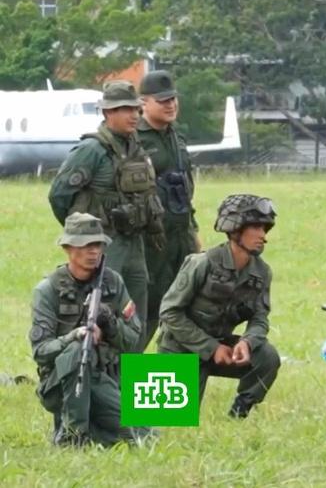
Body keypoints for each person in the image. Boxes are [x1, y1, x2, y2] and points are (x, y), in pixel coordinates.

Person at [48, 80, 166, 351]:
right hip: (105, 243)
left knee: (134, 313)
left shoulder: (135, 147)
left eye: (136, 109)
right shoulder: (91, 150)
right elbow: (59, 195)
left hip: (135, 243)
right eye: (125, 109)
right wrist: (82, 236)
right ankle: (99, 376)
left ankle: (129, 382)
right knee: (101, 309)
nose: (134, 115)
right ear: (107, 113)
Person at [29, 213, 156, 447]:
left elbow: (132, 341)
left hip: (105, 378)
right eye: (85, 245)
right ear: (68, 248)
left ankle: (91, 431)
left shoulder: (113, 283)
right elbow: (41, 351)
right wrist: (74, 336)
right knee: (78, 350)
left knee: (145, 438)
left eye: (97, 244)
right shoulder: (47, 290)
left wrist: (110, 326)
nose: (93, 251)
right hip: (60, 383)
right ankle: (72, 437)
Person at [156, 194, 281, 419]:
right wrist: (211, 348)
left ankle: (239, 414)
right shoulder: (202, 263)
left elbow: (260, 318)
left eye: (265, 228)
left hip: (222, 348)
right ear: (235, 230)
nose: (263, 235)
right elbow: (169, 312)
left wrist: (247, 342)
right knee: (162, 424)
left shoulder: (262, 273)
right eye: (255, 227)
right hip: (179, 350)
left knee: (267, 356)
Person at [136, 70, 204, 353]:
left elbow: (184, 189)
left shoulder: (177, 136)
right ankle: (120, 377)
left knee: (186, 307)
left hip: (182, 235)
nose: (170, 105)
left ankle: (170, 379)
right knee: (148, 309)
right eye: (162, 100)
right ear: (144, 103)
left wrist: (195, 231)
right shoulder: (133, 138)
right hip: (152, 239)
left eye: (173, 99)